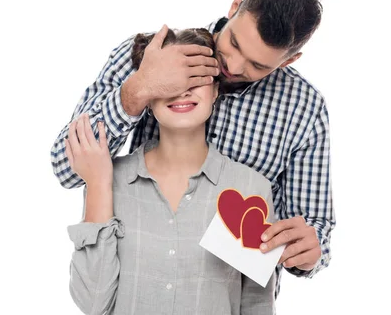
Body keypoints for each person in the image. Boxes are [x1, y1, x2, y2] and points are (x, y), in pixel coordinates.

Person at [52, 0, 335, 297]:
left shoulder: (305, 108)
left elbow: (314, 225)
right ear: (234, 7)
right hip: (139, 285)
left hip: (230, 296)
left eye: (258, 65)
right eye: (235, 44)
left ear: (289, 60)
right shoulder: (151, 52)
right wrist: (138, 89)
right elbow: (66, 168)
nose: (233, 64)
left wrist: (310, 252)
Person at [65, 28, 276, 314]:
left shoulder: (252, 188)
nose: (183, 88)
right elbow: (92, 302)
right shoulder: (108, 181)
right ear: (148, 95)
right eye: (169, 79)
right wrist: (99, 184)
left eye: (196, 76)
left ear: (216, 90)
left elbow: (256, 304)